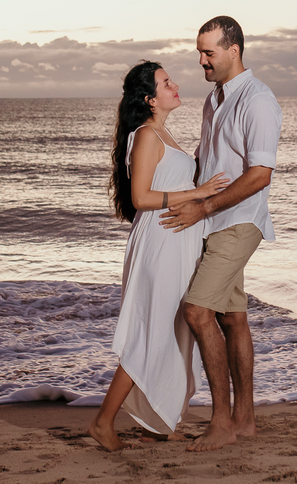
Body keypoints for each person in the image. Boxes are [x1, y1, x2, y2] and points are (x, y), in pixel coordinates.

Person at [88, 60, 230, 452]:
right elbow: (141, 198)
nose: (175, 85)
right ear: (150, 99)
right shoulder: (147, 135)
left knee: (170, 332)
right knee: (149, 334)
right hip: (160, 242)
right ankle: (102, 422)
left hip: (175, 242)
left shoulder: (163, 133)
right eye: (166, 83)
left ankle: (158, 422)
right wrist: (197, 193)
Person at [160, 16, 283, 451]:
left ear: (234, 50)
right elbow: (207, 161)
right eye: (199, 52)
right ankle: (244, 420)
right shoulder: (215, 99)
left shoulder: (258, 100)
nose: (201, 61)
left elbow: (260, 174)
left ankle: (221, 423)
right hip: (214, 221)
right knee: (232, 318)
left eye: (208, 53)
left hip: (238, 220)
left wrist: (204, 208)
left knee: (197, 312)